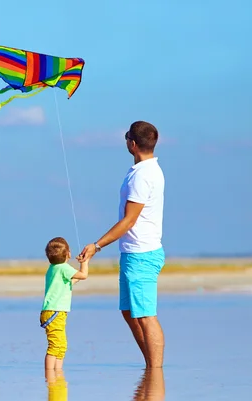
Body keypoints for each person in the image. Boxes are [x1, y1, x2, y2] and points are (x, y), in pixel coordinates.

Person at [77, 120, 166, 368]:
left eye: (127, 137)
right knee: (129, 312)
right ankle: (150, 364)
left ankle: (155, 371)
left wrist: (97, 245)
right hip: (132, 253)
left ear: (133, 143)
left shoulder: (144, 175)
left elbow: (129, 221)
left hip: (142, 253)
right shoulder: (142, 170)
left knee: (146, 315)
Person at [40, 236, 89, 371]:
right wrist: (85, 261)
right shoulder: (63, 268)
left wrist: (75, 278)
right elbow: (83, 275)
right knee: (55, 345)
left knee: (61, 345)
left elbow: (68, 284)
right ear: (68, 254)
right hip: (55, 312)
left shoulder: (53, 268)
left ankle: (58, 374)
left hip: (54, 312)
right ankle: (50, 376)